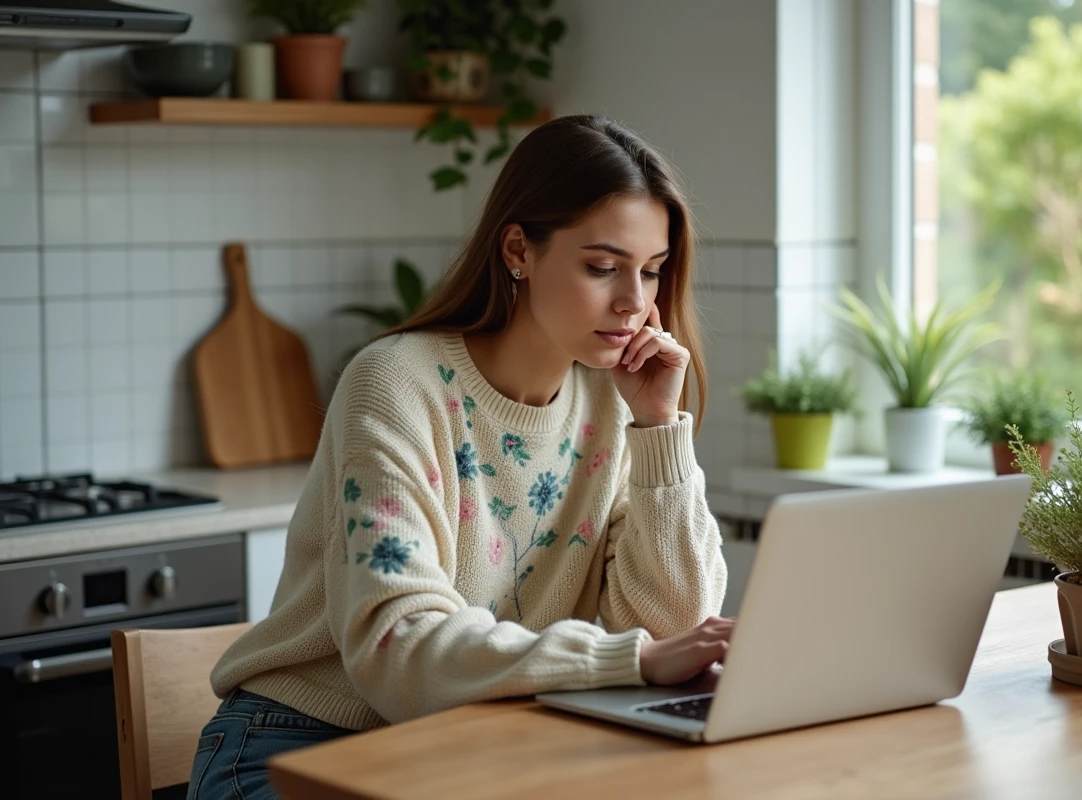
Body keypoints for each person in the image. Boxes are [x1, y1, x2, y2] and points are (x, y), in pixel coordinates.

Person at [187, 114, 730, 800]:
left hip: (479, 747)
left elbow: (674, 630)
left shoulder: (615, 403)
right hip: (298, 747)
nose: (634, 302)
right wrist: (631, 660)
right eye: (601, 267)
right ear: (518, 250)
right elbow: (399, 646)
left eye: (651, 272)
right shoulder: (394, 383)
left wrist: (658, 428)